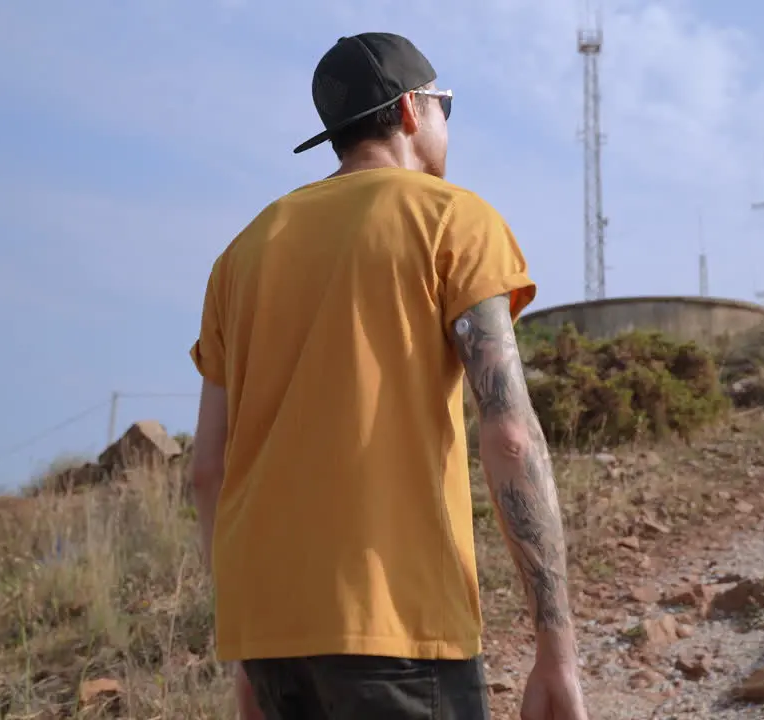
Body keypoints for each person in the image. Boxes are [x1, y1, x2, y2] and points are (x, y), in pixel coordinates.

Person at [188, 31, 587, 720]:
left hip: (268, 635)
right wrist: (558, 648)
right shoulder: (453, 219)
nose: (445, 125)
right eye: (445, 107)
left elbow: (207, 471)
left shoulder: (241, 255)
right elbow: (511, 435)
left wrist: (247, 647)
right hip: (400, 628)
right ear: (410, 111)